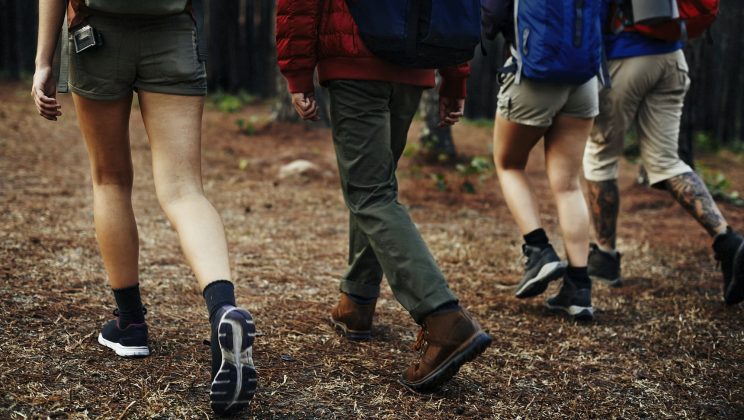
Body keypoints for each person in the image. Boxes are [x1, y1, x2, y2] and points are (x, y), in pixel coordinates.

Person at [31, 0, 256, 414]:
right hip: (171, 32)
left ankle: (130, 323)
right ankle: (223, 309)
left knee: (110, 179)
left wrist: (44, 60)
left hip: (96, 35)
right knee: (185, 190)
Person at [276, 0, 492, 392]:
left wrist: (297, 71)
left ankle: (444, 319)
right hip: (415, 62)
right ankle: (356, 302)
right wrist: (455, 76)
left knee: (370, 193)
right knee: (377, 186)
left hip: (355, 60)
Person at [583, 1, 744, 305]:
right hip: (672, 57)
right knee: (665, 159)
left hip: (625, 56)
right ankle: (728, 240)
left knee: (600, 155)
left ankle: (604, 257)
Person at [489, 1, 602, 321]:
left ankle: (538, 250)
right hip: (584, 79)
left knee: (508, 163)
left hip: (533, 72)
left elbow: (491, 14)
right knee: (568, 184)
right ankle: (579, 288)